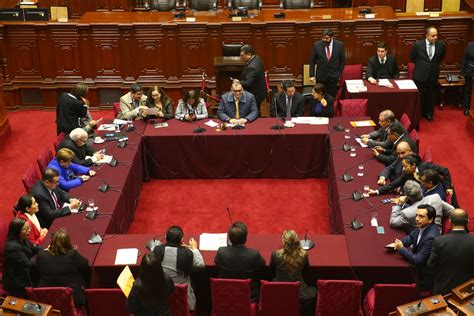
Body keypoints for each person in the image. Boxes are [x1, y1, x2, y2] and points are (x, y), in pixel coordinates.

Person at [388, 205, 439, 292]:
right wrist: (398, 243)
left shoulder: (431, 237)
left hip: (421, 276)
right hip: (416, 266)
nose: (417, 219)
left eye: (421, 216)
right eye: (416, 215)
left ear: (430, 219)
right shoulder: (423, 226)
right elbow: (411, 237)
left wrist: (402, 249)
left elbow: (418, 260)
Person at [154, 226, 204, 311]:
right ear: (181, 239)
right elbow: (200, 265)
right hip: (182, 295)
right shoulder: (187, 253)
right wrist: (194, 249)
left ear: (166, 237)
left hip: (161, 295)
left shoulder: (157, 250)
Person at [36, 228, 89, 307]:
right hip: (71, 299)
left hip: (46, 298)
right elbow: (85, 263)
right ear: (68, 243)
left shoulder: (41, 254)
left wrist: (45, 251)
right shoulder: (72, 254)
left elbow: (34, 266)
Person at [214, 221, 265, 302]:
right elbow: (262, 265)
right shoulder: (254, 254)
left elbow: (217, 262)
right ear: (245, 238)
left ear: (229, 239)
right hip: (249, 296)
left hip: (225, 294)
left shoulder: (221, 252)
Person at [269, 230, 317, 316]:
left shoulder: (275, 254)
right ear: (297, 241)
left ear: (283, 241)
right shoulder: (303, 255)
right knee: (315, 290)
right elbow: (307, 274)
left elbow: (271, 273)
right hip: (300, 294)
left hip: (278, 292)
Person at [428, 209, 474, 295]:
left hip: (443, 289)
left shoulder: (439, 241)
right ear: (467, 221)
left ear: (450, 221)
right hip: (468, 291)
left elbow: (431, 265)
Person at [368, 154, 455, 199]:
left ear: (413, 165)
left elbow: (445, 170)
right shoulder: (407, 172)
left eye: (406, 166)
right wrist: (377, 191)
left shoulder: (425, 166)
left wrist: (448, 187)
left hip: (437, 189)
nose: (404, 169)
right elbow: (395, 183)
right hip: (423, 192)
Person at [410, 26, 446, 122]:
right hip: (420, 74)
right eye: (433, 36)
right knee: (420, 95)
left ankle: (429, 113)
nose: (435, 38)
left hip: (433, 74)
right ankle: (418, 113)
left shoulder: (441, 45)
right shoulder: (418, 45)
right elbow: (412, 57)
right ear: (427, 36)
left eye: (436, 35)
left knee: (431, 94)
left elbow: (441, 57)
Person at [389, 180, 454, 231]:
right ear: (420, 190)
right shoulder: (435, 197)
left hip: (423, 239)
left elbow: (393, 222)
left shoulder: (408, 213)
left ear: (407, 196)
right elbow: (452, 210)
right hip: (438, 231)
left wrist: (399, 205)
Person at [2, 218, 42, 297]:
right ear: (17, 230)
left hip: (24, 272)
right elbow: (29, 265)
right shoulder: (13, 248)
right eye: (26, 229)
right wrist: (43, 258)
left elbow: (34, 248)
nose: (29, 230)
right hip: (17, 281)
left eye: (29, 228)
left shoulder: (23, 238)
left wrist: (47, 250)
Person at [309, 28, 345, 98]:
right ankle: (319, 109)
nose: (324, 40)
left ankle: (330, 109)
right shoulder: (317, 45)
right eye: (323, 38)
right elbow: (312, 61)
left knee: (331, 97)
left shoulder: (339, 45)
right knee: (319, 97)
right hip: (321, 76)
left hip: (333, 77)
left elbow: (342, 61)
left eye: (326, 38)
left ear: (332, 37)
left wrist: (339, 73)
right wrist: (312, 75)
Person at [239, 44, 267, 113]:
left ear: (249, 54)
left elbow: (248, 83)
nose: (241, 57)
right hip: (259, 91)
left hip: (255, 94)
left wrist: (238, 82)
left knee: (254, 112)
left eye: (242, 55)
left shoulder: (252, 67)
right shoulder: (257, 58)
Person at [461, 42, 474, 116]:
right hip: (470, 72)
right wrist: (463, 73)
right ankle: (466, 108)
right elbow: (465, 59)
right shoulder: (470, 45)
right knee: (468, 90)